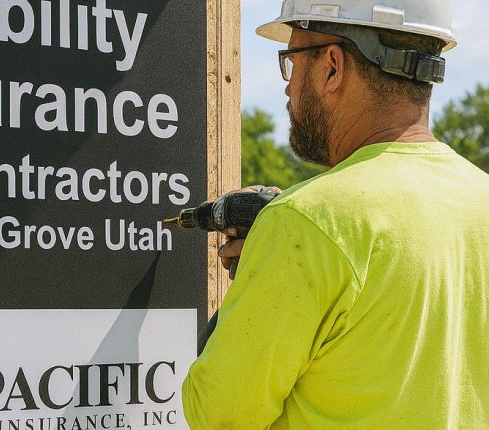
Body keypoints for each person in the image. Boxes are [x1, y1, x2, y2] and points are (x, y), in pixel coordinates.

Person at [182, 0, 489, 428]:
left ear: (331, 67)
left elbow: (217, 414)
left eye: (291, 62)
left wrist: (261, 273)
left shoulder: (304, 221)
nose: (288, 89)